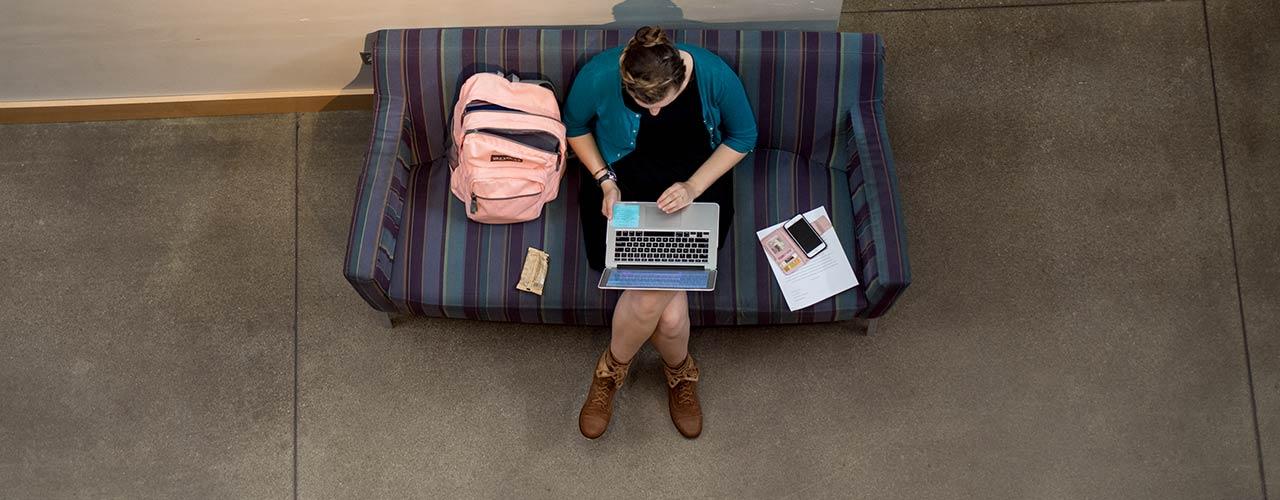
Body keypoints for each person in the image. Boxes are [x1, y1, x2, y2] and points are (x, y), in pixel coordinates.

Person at [562, 26, 757, 439]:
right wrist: (605, 180)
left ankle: (610, 371)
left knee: (653, 299)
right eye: (641, 104)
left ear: (680, 79)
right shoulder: (599, 74)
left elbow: (744, 135)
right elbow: (575, 125)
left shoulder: (712, 74)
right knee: (668, 318)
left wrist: (692, 188)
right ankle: (681, 373)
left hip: (695, 188)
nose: (652, 113)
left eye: (660, 103)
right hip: (623, 189)